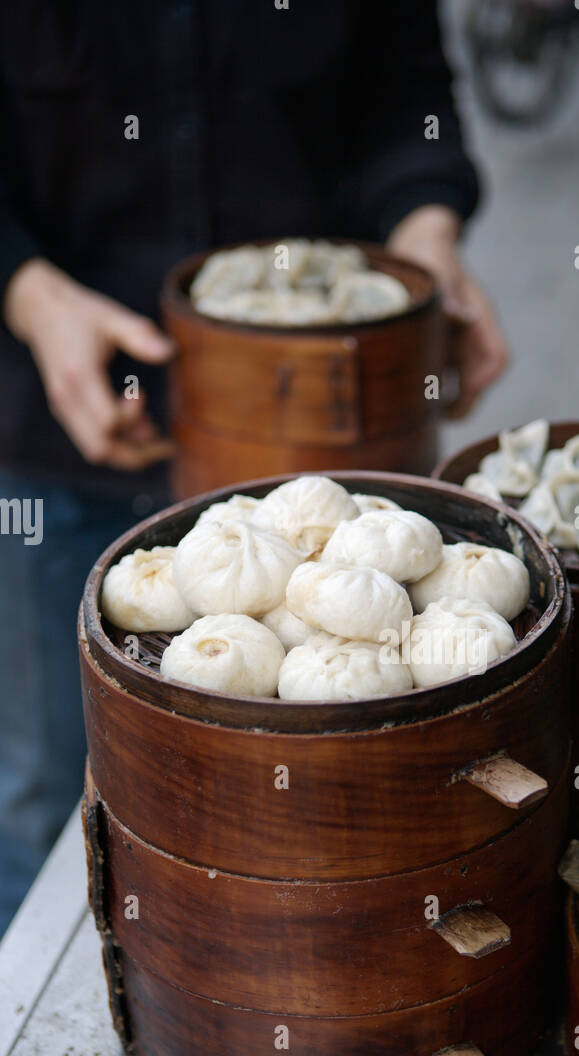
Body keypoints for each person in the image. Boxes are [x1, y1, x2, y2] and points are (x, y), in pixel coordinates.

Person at [0, 1, 508, 933]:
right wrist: (28, 293)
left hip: (328, 437)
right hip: (58, 438)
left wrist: (424, 239)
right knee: (44, 785)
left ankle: (282, 961)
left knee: (331, 785)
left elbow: (407, 100)